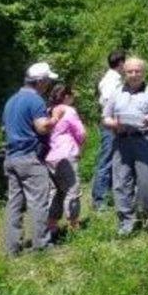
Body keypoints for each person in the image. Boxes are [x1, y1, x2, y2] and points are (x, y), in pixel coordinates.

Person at [2, 62, 63, 256]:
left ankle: (12, 249)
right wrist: (56, 117)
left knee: (14, 204)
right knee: (38, 202)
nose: (48, 86)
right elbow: (42, 127)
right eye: (47, 82)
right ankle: (42, 245)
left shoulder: (11, 100)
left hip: (11, 157)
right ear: (41, 81)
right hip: (30, 158)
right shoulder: (35, 100)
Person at [102, 57, 148, 236]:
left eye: (137, 71)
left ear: (143, 72)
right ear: (125, 73)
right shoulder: (116, 93)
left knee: (146, 183)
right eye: (130, 71)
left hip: (145, 141)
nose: (134, 75)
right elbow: (105, 117)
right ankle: (126, 223)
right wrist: (115, 124)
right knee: (121, 183)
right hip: (122, 141)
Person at [45, 84, 86, 236]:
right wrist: (81, 147)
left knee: (55, 191)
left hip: (49, 156)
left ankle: (51, 226)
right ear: (66, 96)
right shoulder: (69, 111)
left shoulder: (48, 111)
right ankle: (73, 225)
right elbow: (80, 133)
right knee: (72, 189)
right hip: (66, 154)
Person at [92, 49, 126, 211]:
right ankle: (99, 200)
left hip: (114, 123)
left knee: (113, 160)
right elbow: (107, 101)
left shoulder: (115, 78)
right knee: (106, 161)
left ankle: (107, 196)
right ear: (120, 63)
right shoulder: (111, 80)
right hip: (110, 124)